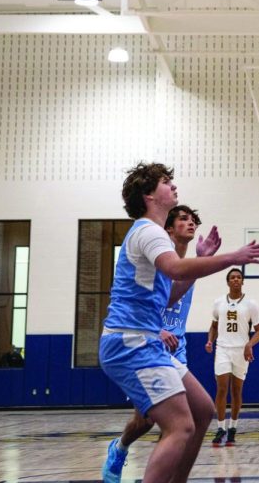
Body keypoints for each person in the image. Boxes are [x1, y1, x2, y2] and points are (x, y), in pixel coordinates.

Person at [98, 163, 259, 483]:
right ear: (149, 195)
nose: (174, 187)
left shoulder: (151, 234)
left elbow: (171, 294)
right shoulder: (149, 231)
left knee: (203, 411)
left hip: (145, 341)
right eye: (166, 182)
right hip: (130, 343)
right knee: (180, 425)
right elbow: (176, 270)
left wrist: (201, 256)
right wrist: (231, 257)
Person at [102, 203, 220, 483]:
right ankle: (120, 448)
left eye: (194, 220)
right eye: (183, 219)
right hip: (145, 345)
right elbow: (132, 306)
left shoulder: (185, 267)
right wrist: (157, 332)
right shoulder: (155, 253)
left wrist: (202, 261)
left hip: (175, 349)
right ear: (168, 227)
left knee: (196, 414)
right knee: (149, 422)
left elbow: (173, 295)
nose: (190, 223)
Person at [207, 267, 259, 447]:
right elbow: (214, 326)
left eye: (239, 277)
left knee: (237, 390)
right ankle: (221, 427)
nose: (236, 280)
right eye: (233, 277)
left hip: (241, 350)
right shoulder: (218, 303)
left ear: (243, 281)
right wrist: (209, 341)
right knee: (222, 388)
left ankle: (233, 427)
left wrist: (249, 344)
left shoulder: (251, 304)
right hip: (223, 348)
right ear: (228, 281)